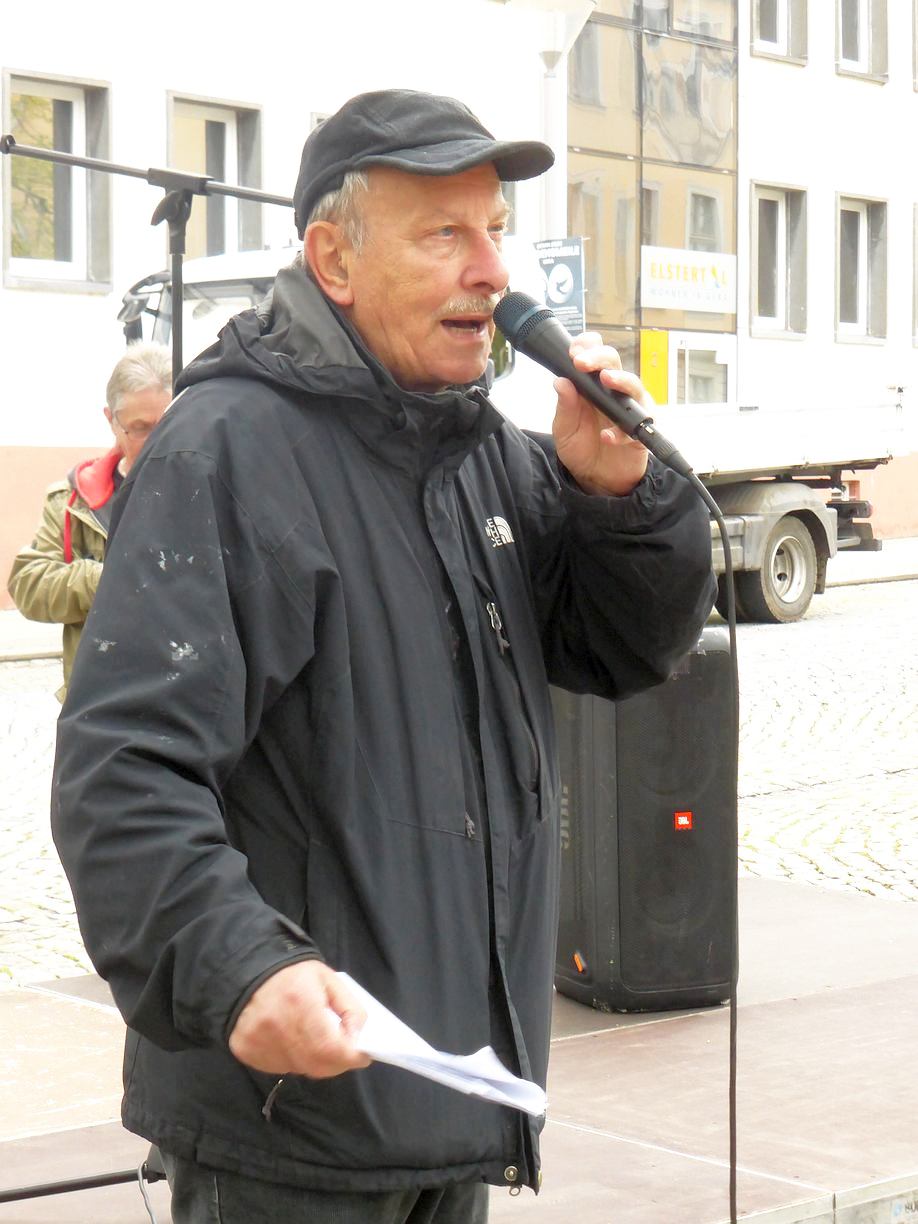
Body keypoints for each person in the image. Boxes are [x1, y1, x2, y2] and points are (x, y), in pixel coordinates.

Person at [51, 90, 716, 1223]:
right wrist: (241, 967)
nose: (492, 271)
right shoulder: (229, 451)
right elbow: (125, 770)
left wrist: (618, 496)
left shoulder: (484, 451)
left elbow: (623, 647)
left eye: (496, 229)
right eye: (445, 234)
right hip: (291, 1124)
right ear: (335, 261)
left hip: (452, 1092)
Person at [8, 343, 172, 700]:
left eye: (167, 425)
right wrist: (108, 578)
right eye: (140, 428)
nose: (156, 440)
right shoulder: (74, 500)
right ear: (111, 420)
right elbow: (28, 585)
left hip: (182, 697)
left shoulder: (207, 492)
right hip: (97, 700)